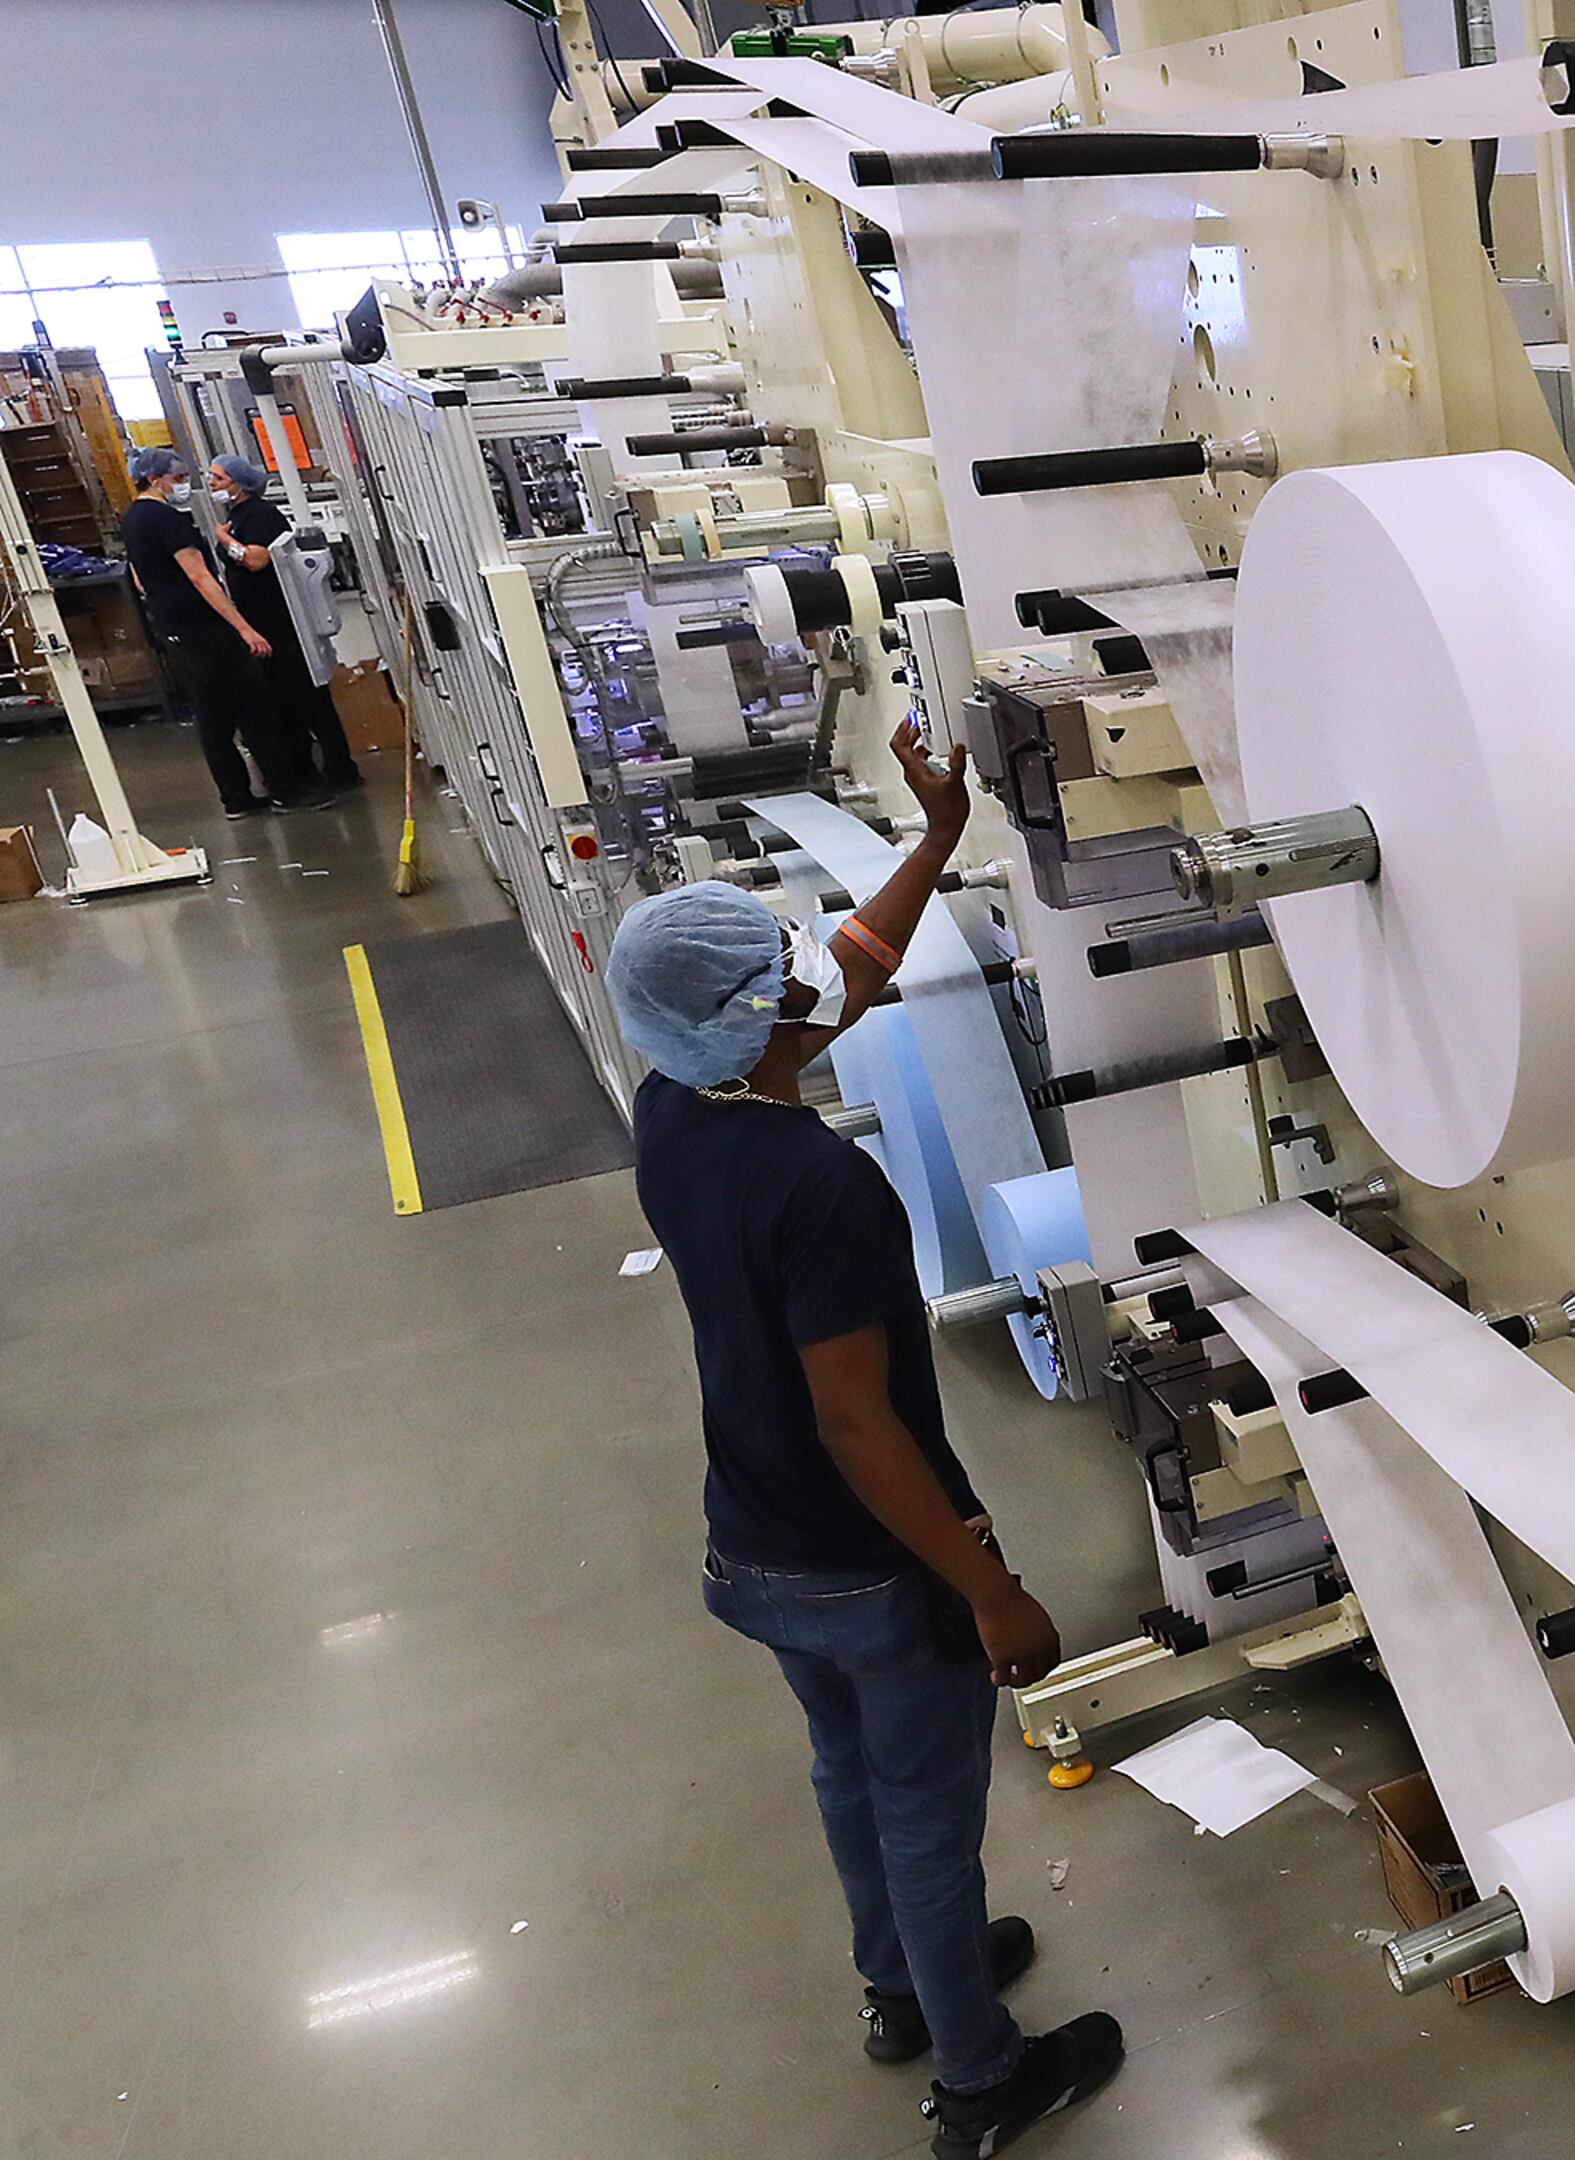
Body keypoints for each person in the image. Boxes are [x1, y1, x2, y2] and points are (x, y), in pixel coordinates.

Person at [607, 723, 1125, 2160]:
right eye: (786, 968)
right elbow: (858, 1418)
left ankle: (898, 1992)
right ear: (765, 1018)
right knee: (926, 1821)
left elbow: (857, 969)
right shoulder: (818, 1185)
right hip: (875, 1568)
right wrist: (986, 1588)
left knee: (847, 1778)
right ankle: (979, 2080)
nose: (810, 971)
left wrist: (941, 835)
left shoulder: (676, 1110)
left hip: (754, 1546)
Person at [119, 446, 315, 818]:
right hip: (203, 628)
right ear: (153, 479)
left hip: (172, 627)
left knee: (212, 716)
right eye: (177, 479)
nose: (186, 485)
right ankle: (286, 790)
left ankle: (235, 798)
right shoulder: (168, 521)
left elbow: (140, 578)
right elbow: (200, 577)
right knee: (253, 706)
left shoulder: (132, 519)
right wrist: (242, 627)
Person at [202, 454, 365, 792]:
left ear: (238, 482)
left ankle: (340, 768)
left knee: (308, 697)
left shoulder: (261, 515)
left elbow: (256, 560)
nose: (212, 484)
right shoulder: (237, 516)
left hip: (282, 621)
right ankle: (304, 766)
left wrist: (225, 541)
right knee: (282, 700)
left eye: (218, 478)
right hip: (260, 620)